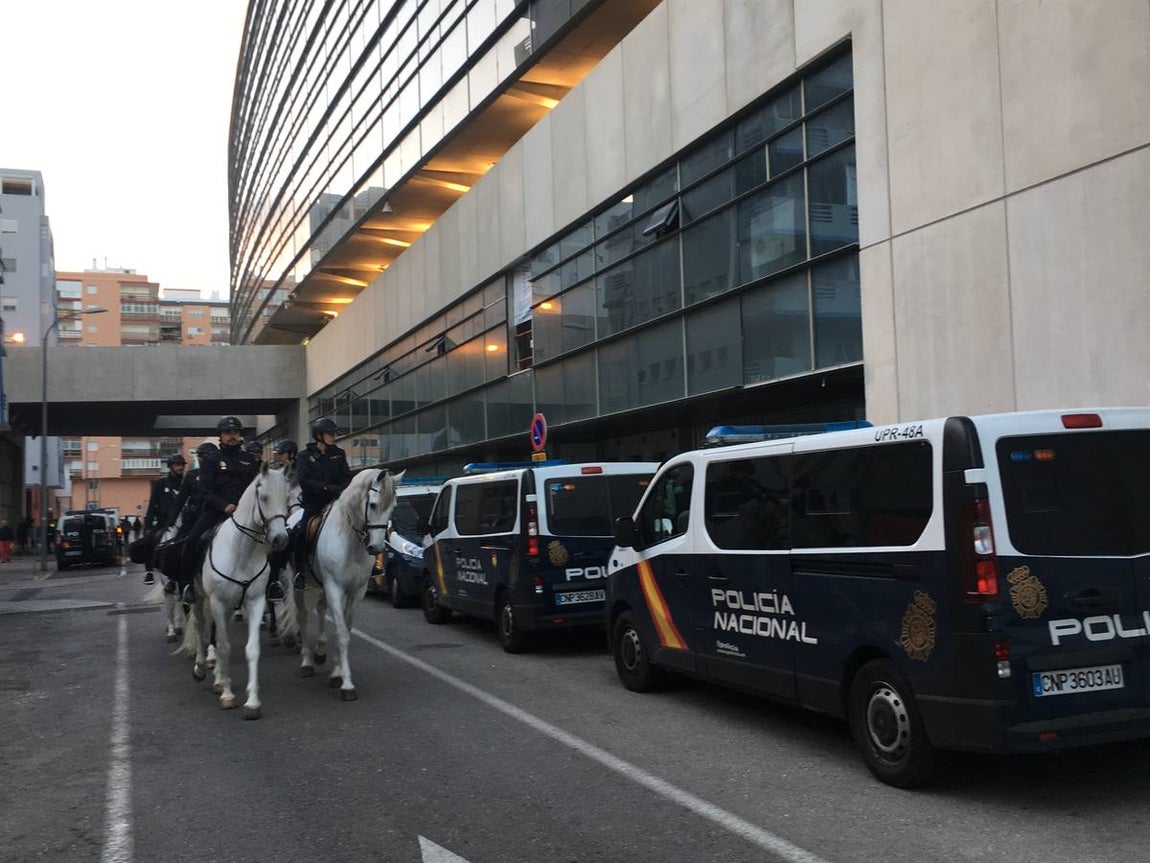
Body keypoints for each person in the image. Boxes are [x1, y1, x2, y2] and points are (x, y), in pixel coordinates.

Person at [180, 418, 260, 603]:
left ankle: (273, 583)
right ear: (221, 436)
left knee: (272, 539)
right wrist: (224, 505)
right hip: (217, 511)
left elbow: (256, 487)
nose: (232, 437)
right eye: (228, 433)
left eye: (235, 433)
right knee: (193, 540)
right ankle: (188, 584)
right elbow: (204, 490)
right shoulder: (211, 460)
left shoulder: (249, 460)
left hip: (245, 514)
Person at [292, 417, 351, 589]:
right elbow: (304, 480)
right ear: (318, 436)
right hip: (315, 503)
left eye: (333, 434)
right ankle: (301, 572)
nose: (333, 437)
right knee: (302, 532)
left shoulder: (339, 454)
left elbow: (346, 476)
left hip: (337, 501)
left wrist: (341, 488)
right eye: (329, 434)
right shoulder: (304, 456)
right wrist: (326, 488)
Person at [142, 453, 187, 585]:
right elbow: (152, 505)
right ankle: (149, 571)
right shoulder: (161, 484)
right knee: (148, 539)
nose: (180, 468)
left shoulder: (187, 482)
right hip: (164, 521)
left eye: (181, 465)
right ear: (170, 467)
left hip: (183, 520)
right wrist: (148, 526)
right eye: (177, 465)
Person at [265, 439, 299, 602]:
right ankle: (274, 581)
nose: (279, 457)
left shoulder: (303, 470)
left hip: (303, 511)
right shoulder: (277, 474)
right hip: (283, 515)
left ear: (291, 455)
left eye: (282, 454)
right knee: (277, 547)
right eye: (278, 454)